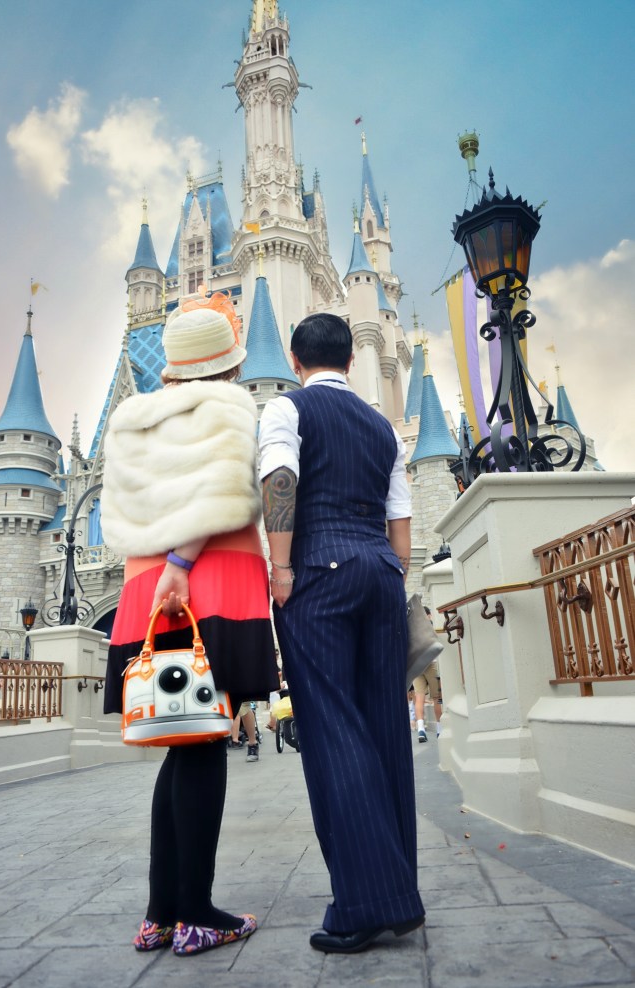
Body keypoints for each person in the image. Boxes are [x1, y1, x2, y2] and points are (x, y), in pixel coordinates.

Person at [101, 290, 279, 957]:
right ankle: (197, 912)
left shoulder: (136, 416)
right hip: (204, 588)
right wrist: (181, 561)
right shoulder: (229, 406)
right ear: (227, 366)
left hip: (146, 592)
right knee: (205, 744)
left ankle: (160, 913)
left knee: (183, 748)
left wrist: (163, 565)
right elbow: (226, 488)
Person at [258, 312, 425, 954]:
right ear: (351, 362)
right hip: (381, 573)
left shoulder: (286, 409)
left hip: (316, 574)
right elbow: (401, 523)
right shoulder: (382, 426)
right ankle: (399, 887)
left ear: (296, 361)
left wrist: (280, 566)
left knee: (331, 728)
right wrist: (386, 570)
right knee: (383, 726)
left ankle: (368, 904)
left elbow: (280, 481)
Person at [412, 608, 442, 742]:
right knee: (437, 698)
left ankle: (421, 730)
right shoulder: (429, 625)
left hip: (417, 665)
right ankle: (440, 730)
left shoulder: (413, 625)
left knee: (419, 698)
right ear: (429, 615)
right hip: (431, 663)